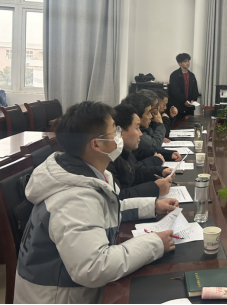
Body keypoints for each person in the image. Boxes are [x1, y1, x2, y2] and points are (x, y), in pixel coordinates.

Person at [14, 101, 179, 304]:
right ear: (96, 144)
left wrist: (151, 206)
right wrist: (155, 243)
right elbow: (93, 268)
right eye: (114, 131)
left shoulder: (89, 173)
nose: (119, 135)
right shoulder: (73, 198)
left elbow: (106, 209)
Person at [108, 104, 175, 199]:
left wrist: (160, 171)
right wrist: (154, 188)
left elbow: (133, 171)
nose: (140, 134)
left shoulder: (123, 151)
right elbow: (118, 197)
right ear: (119, 131)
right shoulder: (108, 158)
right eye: (137, 128)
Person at [122, 93, 181, 162]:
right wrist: (160, 123)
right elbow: (154, 145)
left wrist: (168, 154)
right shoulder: (135, 133)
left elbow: (143, 152)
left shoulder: (147, 125)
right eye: (149, 112)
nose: (151, 115)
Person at [168, 53, 200, 123]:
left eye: (188, 61)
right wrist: (184, 101)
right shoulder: (174, 75)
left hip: (190, 108)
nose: (188, 63)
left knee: (190, 125)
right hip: (178, 107)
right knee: (178, 125)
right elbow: (175, 91)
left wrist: (193, 100)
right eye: (185, 61)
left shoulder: (192, 75)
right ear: (180, 63)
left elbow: (195, 90)